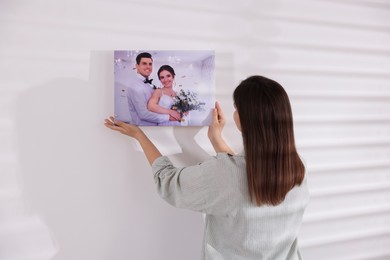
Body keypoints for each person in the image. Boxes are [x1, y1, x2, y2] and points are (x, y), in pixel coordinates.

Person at [105, 75, 309, 260]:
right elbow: (241, 174)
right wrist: (216, 139)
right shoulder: (297, 169)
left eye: (237, 108)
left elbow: (167, 180)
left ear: (241, 118)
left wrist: (139, 135)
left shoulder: (227, 174)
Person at [126, 52, 180, 126]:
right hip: (142, 128)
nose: (148, 67)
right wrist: (169, 116)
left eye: (150, 64)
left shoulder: (151, 86)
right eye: (144, 63)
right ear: (137, 66)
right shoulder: (135, 86)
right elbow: (143, 114)